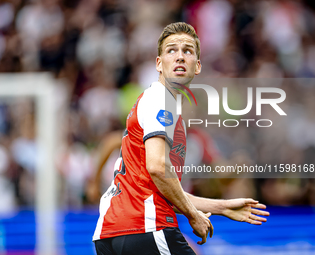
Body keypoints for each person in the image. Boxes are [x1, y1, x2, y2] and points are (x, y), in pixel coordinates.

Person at [93, 22, 269, 255]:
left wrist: (222, 207)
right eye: (171, 50)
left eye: (187, 51)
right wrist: (193, 216)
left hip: (111, 232)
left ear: (197, 66)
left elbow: (163, 188)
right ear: (159, 63)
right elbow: (157, 167)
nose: (179, 57)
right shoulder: (161, 99)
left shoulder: (163, 109)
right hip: (145, 227)